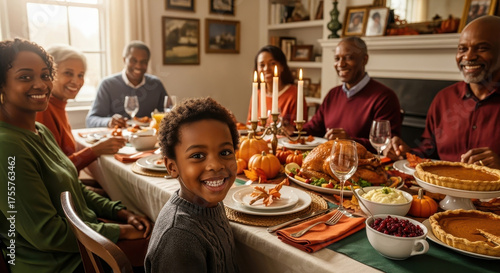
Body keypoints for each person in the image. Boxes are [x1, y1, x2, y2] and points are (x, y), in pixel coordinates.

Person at [0, 38, 152, 273]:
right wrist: (119, 230)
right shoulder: (7, 146)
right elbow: (46, 235)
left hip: (82, 235)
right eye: (25, 77)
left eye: (45, 74)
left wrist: (121, 213)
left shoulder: (39, 131)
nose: (41, 84)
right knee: (162, 245)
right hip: (57, 262)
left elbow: (72, 188)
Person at [386, 16, 500, 169]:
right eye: (462, 49)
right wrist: (406, 153)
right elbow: (428, 151)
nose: (468, 56)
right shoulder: (444, 98)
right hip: (441, 191)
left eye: (482, 48)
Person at [145, 97, 240, 273]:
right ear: (172, 167)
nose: (216, 165)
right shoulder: (179, 239)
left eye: (225, 152)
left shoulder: (210, 203)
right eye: (198, 156)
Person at [35, 45, 126, 195]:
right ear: (49, 73)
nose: (76, 81)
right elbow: (56, 171)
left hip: (69, 185)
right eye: (68, 73)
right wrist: (96, 150)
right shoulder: (44, 110)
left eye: (80, 75)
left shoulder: (59, 104)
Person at [303, 37, 401, 149]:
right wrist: (293, 130)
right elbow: (313, 128)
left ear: (364, 60)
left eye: (348, 58)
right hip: (330, 161)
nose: (340, 64)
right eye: (337, 58)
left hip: (364, 165)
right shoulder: (332, 94)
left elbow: (387, 146)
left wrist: (349, 141)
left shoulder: (385, 97)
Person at [86, 40, 167, 128]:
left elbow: (168, 113)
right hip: (117, 138)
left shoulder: (155, 84)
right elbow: (91, 120)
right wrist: (109, 122)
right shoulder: (107, 84)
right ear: (124, 60)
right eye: (133, 60)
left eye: (143, 62)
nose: (138, 66)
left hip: (147, 138)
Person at [247, 45, 308, 129]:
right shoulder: (257, 94)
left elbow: (298, 129)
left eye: (272, 63)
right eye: (262, 65)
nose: (266, 69)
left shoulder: (294, 94)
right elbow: (250, 127)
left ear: (282, 66)